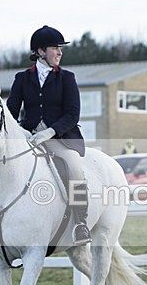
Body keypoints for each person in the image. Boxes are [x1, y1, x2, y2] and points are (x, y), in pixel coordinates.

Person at [6, 25, 91, 245]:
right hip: (29, 139)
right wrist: (22, 132)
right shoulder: (22, 78)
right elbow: (10, 112)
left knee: (74, 167)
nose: (60, 53)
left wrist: (50, 132)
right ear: (41, 51)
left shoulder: (67, 78)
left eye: (60, 49)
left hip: (60, 139)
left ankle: (80, 223)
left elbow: (72, 114)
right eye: (55, 48)